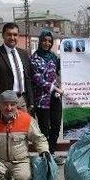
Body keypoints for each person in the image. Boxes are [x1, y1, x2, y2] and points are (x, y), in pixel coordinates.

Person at [30, 30, 65, 165]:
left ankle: (52, 152)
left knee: (56, 125)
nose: (47, 43)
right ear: (40, 41)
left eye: (49, 41)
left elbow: (61, 70)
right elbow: (37, 79)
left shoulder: (53, 57)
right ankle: (45, 155)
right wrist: (54, 88)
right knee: (44, 129)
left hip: (55, 97)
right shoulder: (34, 58)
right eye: (44, 40)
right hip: (42, 99)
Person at [0, 22, 34, 111]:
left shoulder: (23, 54)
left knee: (24, 125)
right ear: (3, 35)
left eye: (15, 35)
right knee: (7, 126)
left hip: (23, 100)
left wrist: (31, 102)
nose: (12, 38)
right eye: (9, 34)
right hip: (5, 103)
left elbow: (28, 78)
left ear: (18, 36)